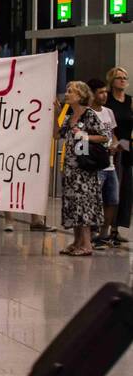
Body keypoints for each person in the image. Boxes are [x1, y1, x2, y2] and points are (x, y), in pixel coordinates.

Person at [57, 80, 111, 257]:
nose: (67, 94)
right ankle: (76, 241)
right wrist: (55, 113)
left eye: (71, 91)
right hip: (71, 169)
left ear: (80, 96)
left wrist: (85, 136)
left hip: (85, 170)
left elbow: (105, 137)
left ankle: (86, 244)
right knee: (73, 204)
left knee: (83, 205)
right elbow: (56, 134)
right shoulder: (69, 118)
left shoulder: (89, 115)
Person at [90, 78, 119, 247]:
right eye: (101, 92)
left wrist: (115, 144)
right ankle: (92, 231)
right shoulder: (88, 113)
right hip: (96, 163)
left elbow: (112, 133)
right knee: (95, 198)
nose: (104, 95)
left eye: (105, 92)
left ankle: (104, 232)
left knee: (112, 199)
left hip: (110, 163)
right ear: (92, 94)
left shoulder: (108, 112)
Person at [106, 66, 132, 243]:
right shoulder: (107, 100)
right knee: (111, 189)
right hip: (112, 147)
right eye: (119, 77)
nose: (122, 80)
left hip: (128, 147)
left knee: (125, 189)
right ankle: (105, 227)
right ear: (112, 81)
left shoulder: (130, 101)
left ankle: (116, 228)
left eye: (125, 77)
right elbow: (107, 123)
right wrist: (115, 142)